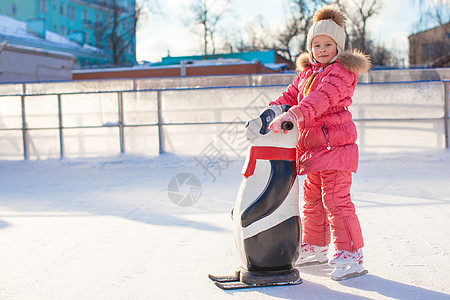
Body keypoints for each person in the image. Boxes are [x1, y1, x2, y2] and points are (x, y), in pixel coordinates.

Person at [268, 5, 371, 281]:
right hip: (313, 151)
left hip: (336, 149)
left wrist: (293, 115)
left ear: (338, 47)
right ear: (310, 48)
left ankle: (351, 254)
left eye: (328, 44)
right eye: (317, 45)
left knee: (336, 201)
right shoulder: (307, 73)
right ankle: (315, 246)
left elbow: (318, 100)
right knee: (313, 201)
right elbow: (290, 95)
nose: (322, 49)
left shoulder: (340, 73)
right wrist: (271, 112)